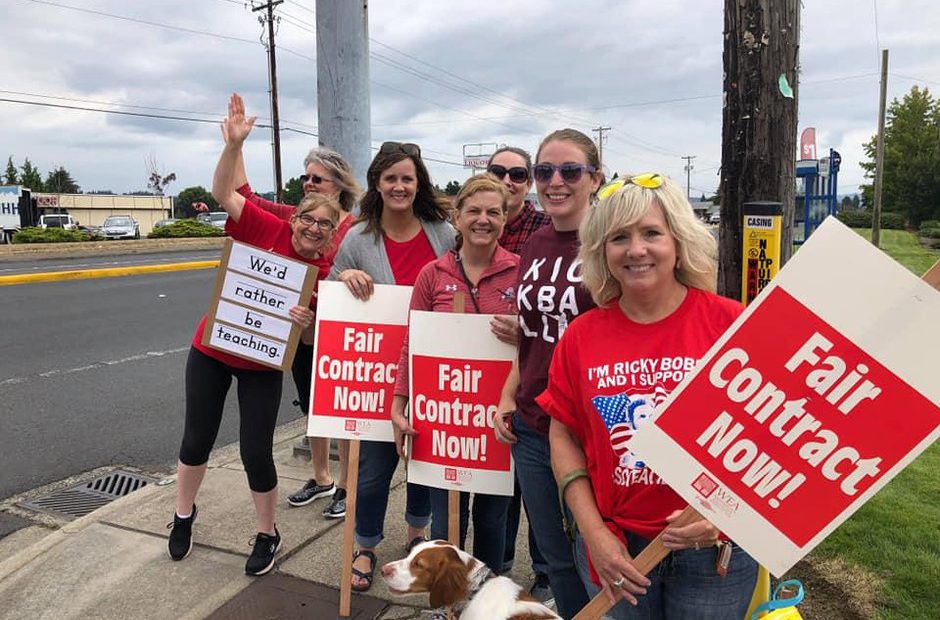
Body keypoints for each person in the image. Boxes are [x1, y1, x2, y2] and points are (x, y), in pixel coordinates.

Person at [538, 172, 759, 618]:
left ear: (677, 240)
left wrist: (722, 515)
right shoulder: (581, 336)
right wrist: (592, 533)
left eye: (651, 233)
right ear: (602, 251)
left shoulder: (731, 324)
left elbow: (772, 436)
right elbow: (563, 436)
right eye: (619, 237)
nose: (636, 249)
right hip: (616, 546)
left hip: (715, 549)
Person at [167, 93, 340, 576]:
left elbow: (305, 347)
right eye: (307, 217)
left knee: (255, 451)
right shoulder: (268, 227)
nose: (313, 228)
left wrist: (307, 327)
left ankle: (268, 532)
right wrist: (233, 145)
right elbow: (225, 192)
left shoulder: (323, 273)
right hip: (213, 348)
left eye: (324, 225)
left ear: (331, 235)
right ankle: (183, 515)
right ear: (295, 216)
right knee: (196, 438)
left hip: (264, 363)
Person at [329, 140, 455, 592]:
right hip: (377, 371)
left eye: (407, 178)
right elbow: (331, 287)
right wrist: (345, 276)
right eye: (391, 178)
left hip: (433, 364)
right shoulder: (359, 236)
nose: (399, 186)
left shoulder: (441, 230)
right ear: (377, 184)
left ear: (418, 182)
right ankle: (365, 544)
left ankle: (418, 534)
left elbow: (461, 277)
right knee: (375, 466)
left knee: (423, 458)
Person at [493, 128, 602, 619]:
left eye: (570, 171)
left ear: (594, 179)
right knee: (556, 557)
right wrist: (506, 396)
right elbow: (532, 335)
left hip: (595, 427)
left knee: (597, 553)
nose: (555, 182)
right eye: (544, 172)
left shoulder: (609, 241)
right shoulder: (535, 243)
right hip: (535, 425)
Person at [391, 173, 519, 573]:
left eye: (493, 212)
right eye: (474, 211)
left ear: (504, 219)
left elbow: (543, 343)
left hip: (497, 421)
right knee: (447, 519)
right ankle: (448, 604)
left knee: (493, 519)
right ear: (457, 216)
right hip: (445, 420)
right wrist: (399, 406)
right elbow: (413, 343)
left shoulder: (522, 272)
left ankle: (488, 598)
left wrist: (525, 332)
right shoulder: (433, 274)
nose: (484, 219)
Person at [233, 147, 363, 520]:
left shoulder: (354, 229)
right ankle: (321, 478)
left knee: (339, 411)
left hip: (338, 331)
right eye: (306, 176)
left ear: (337, 185)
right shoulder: (298, 216)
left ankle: (346, 485)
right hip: (299, 330)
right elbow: (247, 198)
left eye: (317, 178)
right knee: (313, 409)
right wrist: (239, 146)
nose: (308, 183)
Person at [485, 145, 553, 602]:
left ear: (527, 183)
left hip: (531, 376)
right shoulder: (473, 223)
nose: (508, 180)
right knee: (497, 485)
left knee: (539, 490)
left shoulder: (545, 231)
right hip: (480, 376)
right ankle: (499, 568)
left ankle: (546, 570)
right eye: (498, 171)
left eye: (518, 174)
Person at [486, 146, 550, 254]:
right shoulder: (472, 227)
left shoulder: (548, 228)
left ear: (528, 185)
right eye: (497, 173)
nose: (506, 181)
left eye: (517, 174)